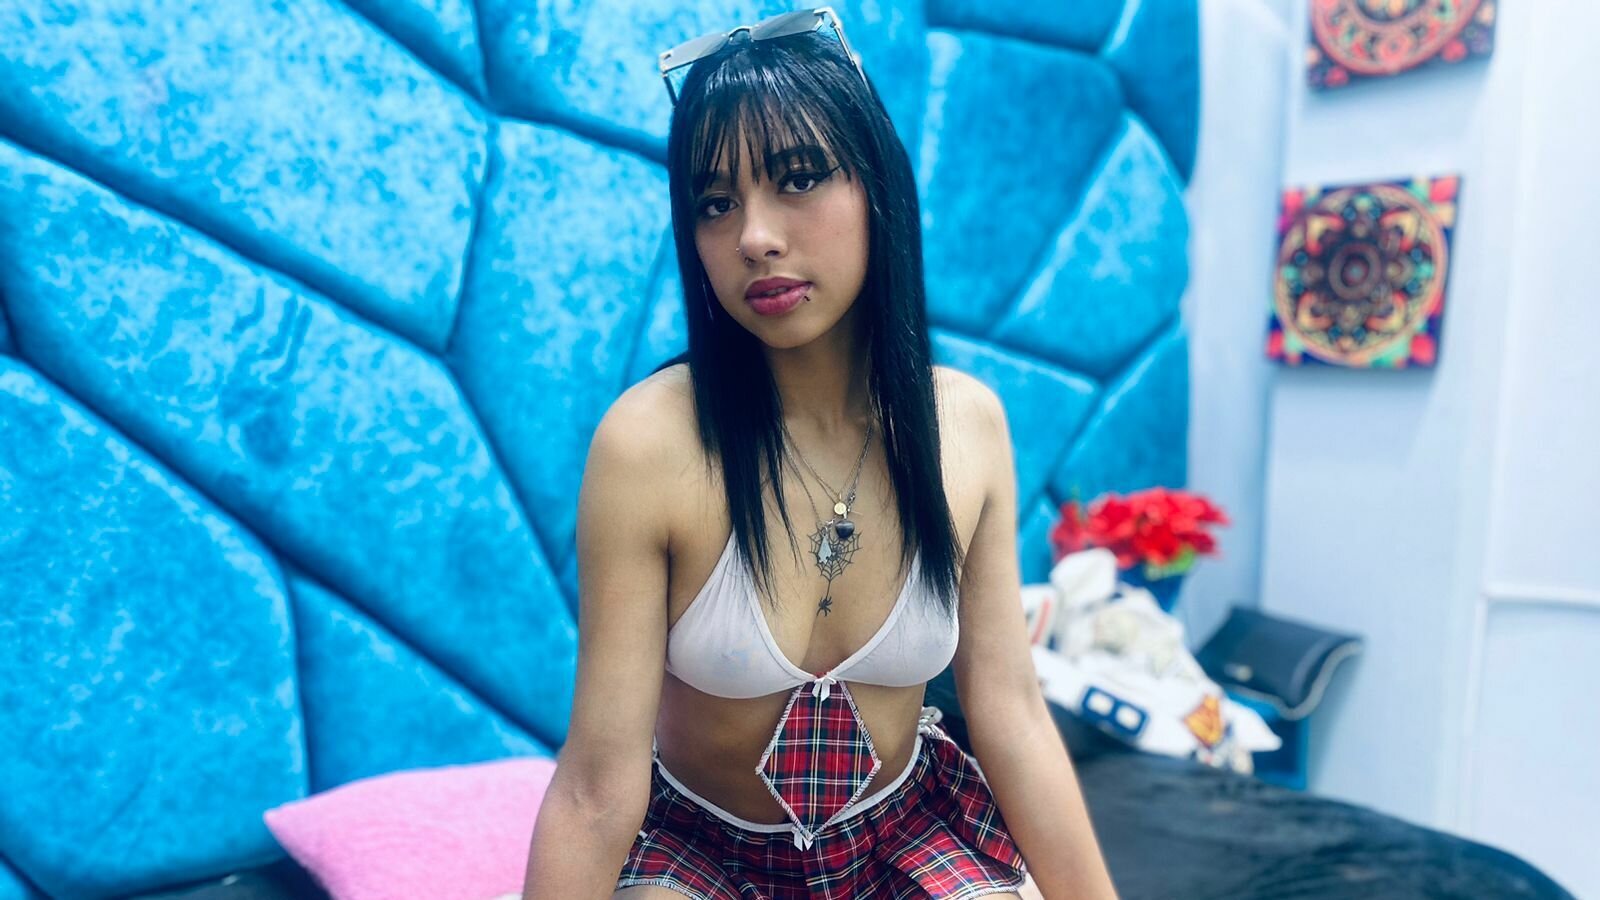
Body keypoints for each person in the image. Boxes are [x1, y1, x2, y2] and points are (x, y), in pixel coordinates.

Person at [521, 9, 1118, 899]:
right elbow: (596, 785)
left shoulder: (966, 426)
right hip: (701, 848)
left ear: (876, 186)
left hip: (903, 832)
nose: (754, 236)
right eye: (715, 203)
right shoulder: (649, 445)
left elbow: (1011, 715)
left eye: (797, 178)